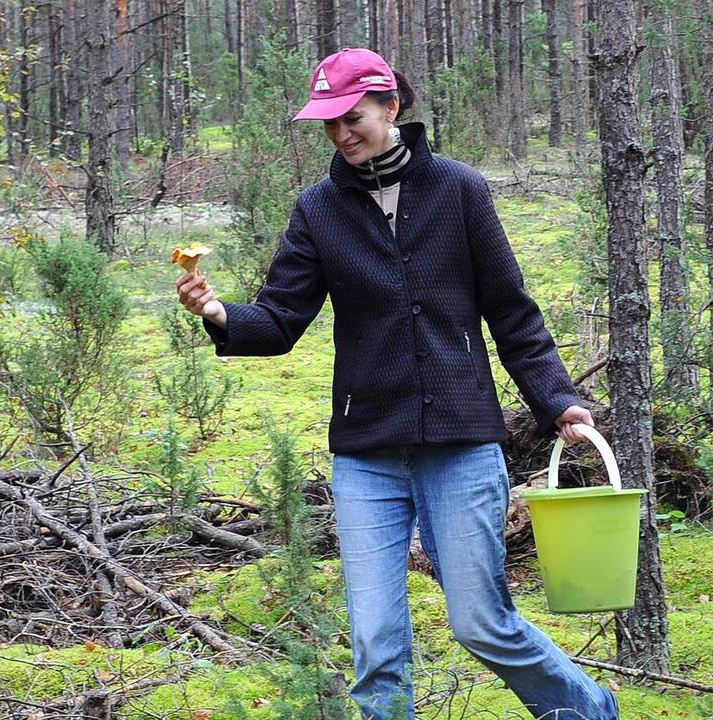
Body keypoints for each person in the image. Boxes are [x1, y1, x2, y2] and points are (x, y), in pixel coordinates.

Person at [175, 48, 619, 720]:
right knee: (377, 644)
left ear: (390, 107)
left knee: (481, 624)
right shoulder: (318, 209)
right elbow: (279, 319)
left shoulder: (459, 191)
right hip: (366, 453)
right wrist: (217, 313)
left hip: (460, 443)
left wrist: (558, 402)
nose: (340, 133)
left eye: (351, 117)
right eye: (327, 124)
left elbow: (510, 311)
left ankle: (587, 711)